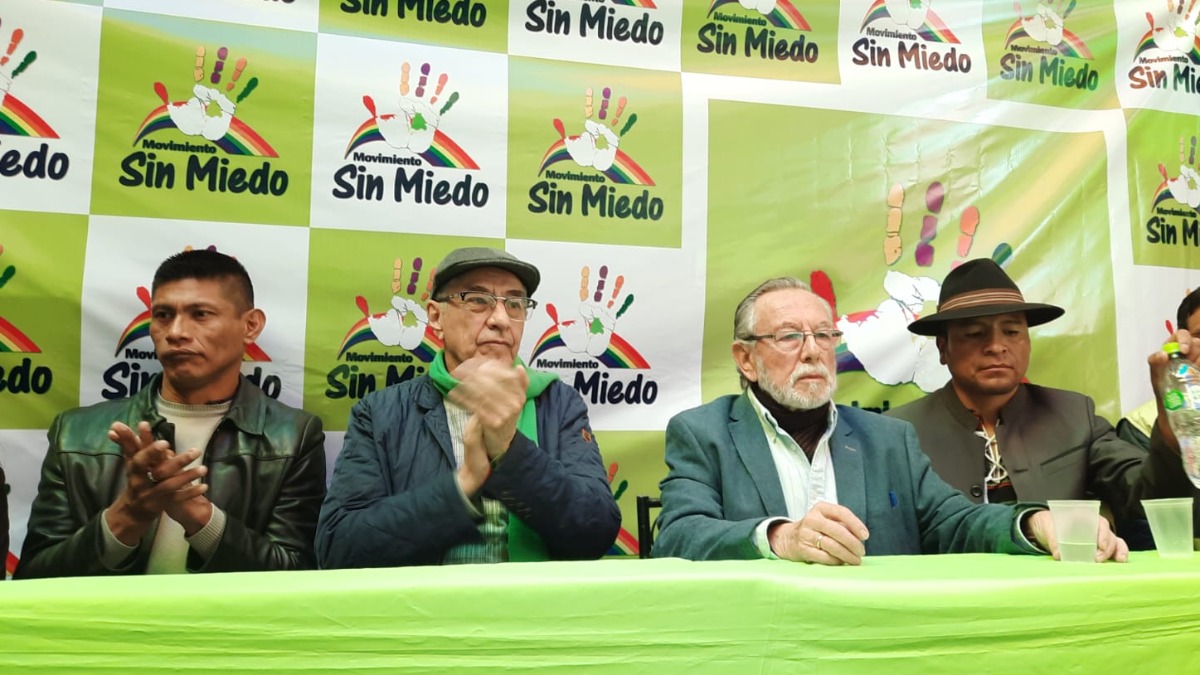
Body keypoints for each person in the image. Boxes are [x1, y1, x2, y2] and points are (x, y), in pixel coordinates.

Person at [652, 276, 1125, 564]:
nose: (814, 350)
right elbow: (677, 535)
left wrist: (1035, 525)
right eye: (790, 336)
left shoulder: (889, 439)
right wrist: (781, 537)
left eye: (823, 334)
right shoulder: (704, 433)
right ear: (746, 359)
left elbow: (955, 522)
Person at [15, 250, 326, 579]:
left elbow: (295, 579)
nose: (176, 331)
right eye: (163, 315)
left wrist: (200, 517)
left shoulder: (292, 436)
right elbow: (34, 581)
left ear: (250, 326)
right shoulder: (75, 434)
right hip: (110, 628)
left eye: (201, 314)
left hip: (226, 630)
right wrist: (127, 515)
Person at [316, 247, 620, 568]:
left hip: (535, 609)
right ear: (435, 316)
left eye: (515, 304)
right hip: (424, 612)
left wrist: (508, 450)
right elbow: (339, 548)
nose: (501, 320)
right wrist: (463, 485)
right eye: (478, 300)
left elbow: (596, 531)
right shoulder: (381, 413)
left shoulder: (556, 402)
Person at [886, 259, 1194, 543]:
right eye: (975, 333)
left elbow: (1148, 504)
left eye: (1011, 331)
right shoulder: (899, 432)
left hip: (1058, 595)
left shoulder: (1073, 415)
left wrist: (1171, 429)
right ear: (943, 348)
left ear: (1027, 342)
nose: (996, 346)